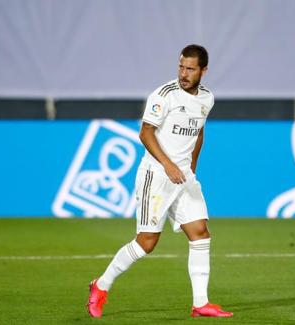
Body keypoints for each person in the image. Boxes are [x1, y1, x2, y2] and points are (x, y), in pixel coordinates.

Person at [86, 44, 233, 318]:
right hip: (156, 175)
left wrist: (191, 168)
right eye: (181, 66)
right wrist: (168, 165)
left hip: (183, 177)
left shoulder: (207, 99)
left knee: (200, 232)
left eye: (190, 68)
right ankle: (100, 285)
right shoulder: (163, 95)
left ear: (204, 71)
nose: (184, 73)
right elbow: (145, 133)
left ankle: (200, 303)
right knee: (147, 243)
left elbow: (199, 133)